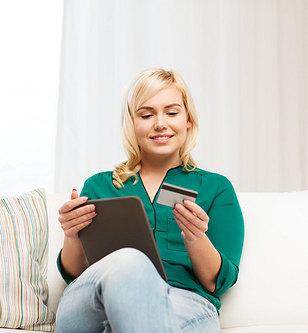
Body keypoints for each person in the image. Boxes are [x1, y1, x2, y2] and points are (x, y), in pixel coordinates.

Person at [55, 68, 244, 333]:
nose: (160, 123)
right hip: (94, 300)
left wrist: (196, 238)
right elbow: (75, 272)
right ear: (133, 122)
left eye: (172, 112)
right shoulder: (98, 186)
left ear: (188, 120)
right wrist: (72, 234)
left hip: (183, 302)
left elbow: (218, 283)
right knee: (129, 261)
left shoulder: (216, 188)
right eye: (146, 114)